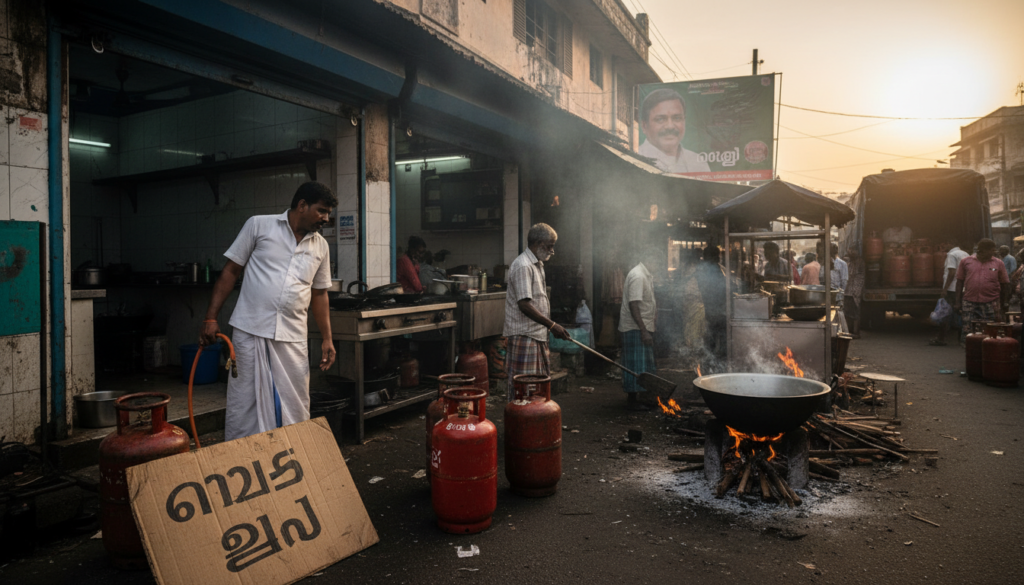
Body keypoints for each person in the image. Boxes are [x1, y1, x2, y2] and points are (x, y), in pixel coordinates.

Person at [200, 181, 337, 441]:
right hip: (250, 330)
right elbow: (230, 271)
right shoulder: (259, 225)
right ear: (302, 205)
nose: (326, 218)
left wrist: (327, 338)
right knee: (244, 402)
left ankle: (293, 453)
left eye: (328, 213)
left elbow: (319, 294)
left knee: (296, 402)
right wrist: (210, 317)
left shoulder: (321, 246)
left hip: (293, 335)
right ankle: (242, 455)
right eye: (321, 211)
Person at [504, 223, 571, 400]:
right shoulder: (523, 265)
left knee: (537, 388)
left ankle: (534, 425)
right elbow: (524, 305)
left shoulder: (536, 264)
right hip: (525, 336)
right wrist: (552, 325)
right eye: (550, 246)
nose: (552, 251)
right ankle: (520, 425)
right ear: (539, 243)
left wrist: (549, 327)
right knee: (524, 389)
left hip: (536, 335)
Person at [619, 248, 658, 411]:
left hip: (641, 327)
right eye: (657, 262)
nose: (658, 265)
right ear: (649, 259)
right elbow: (633, 304)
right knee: (636, 366)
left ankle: (642, 398)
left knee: (644, 365)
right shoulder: (638, 275)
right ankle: (633, 400)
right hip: (635, 328)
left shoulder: (645, 275)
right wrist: (643, 330)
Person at [637, 88, 711, 174]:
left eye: (677, 118)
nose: (670, 126)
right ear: (644, 126)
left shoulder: (698, 163)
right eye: (660, 119)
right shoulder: (634, 160)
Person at [955, 238, 1010, 345]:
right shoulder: (966, 262)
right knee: (968, 328)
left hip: (991, 301)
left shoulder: (998, 263)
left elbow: (1005, 284)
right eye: (990, 251)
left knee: (990, 329)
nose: (993, 253)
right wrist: (957, 302)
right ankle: (970, 350)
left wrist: (1005, 302)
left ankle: (987, 349)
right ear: (981, 250)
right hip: (969, 301)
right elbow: (959, 282)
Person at [931, 240, 970, 346]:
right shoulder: (965, 253)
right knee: (960, 313)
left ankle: (941, 339)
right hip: (962, 288)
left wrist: (945, 289)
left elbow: (952, 272)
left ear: (952, 244)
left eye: (945, 243)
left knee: (945, 313)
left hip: (952, 289)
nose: (943, 245)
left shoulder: (951, 254)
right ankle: (961, 339)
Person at [696, 246, 727, 359]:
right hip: (715, 308)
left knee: (712, 334)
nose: (719, 258)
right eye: (717, 255)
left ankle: (711, 358)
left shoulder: (708, 268)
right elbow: (719, 287)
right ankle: (714, 360)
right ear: (711, 257)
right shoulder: (709, 269)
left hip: (713, 308)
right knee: (716, 334)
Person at [845, 248, 865, 338]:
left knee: (855, 312)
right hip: (850, 290)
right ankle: (851, 331)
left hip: (854, 290)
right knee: (850, 312)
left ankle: (856, 332)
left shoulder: (858, 262)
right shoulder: (853, 262)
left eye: (851, 251)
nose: (850, 253)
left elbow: (851, 274)